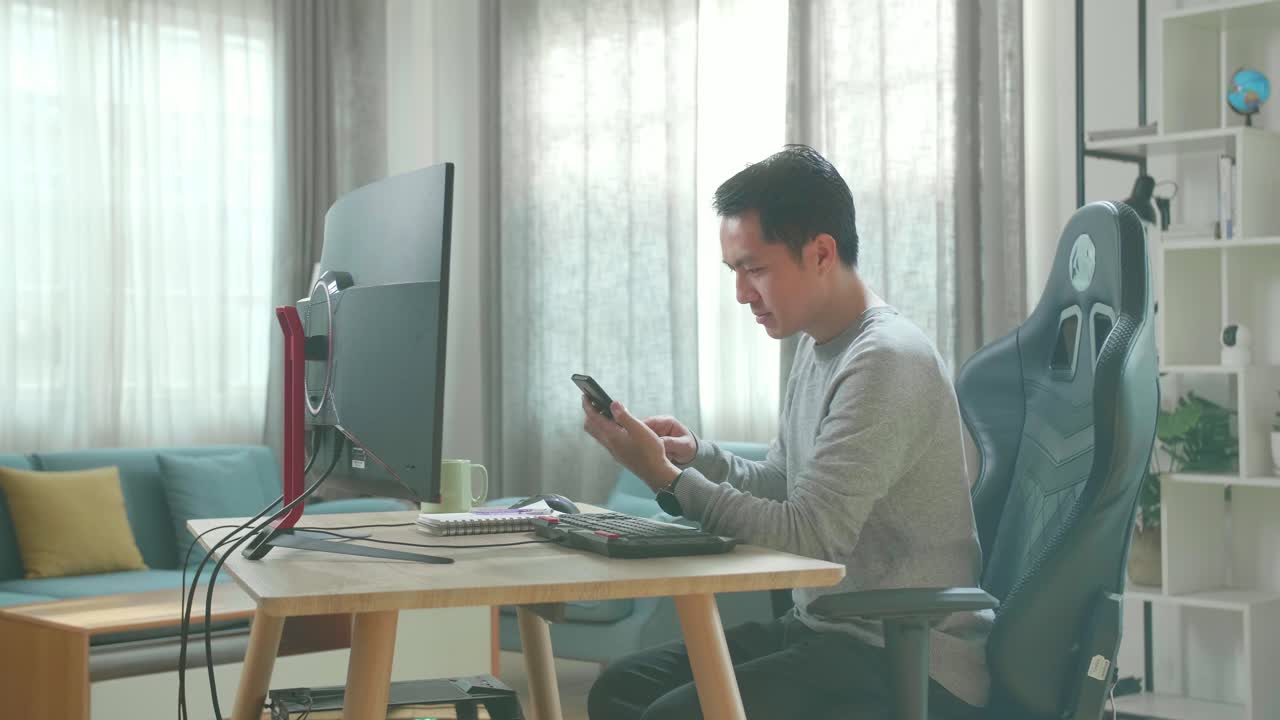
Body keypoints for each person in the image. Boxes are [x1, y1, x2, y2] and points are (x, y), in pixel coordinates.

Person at [579, 145, 991, 719]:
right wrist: (697, 457)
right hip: (828, 631)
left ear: (821, 252)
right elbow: (783, 481)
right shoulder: (819, 345)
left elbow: (813, 535)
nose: (744, 294)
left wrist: (670, 481)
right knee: (619, 691)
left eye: (756, 269)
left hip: (907, 657)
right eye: (736, 273)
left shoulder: (885, 359)